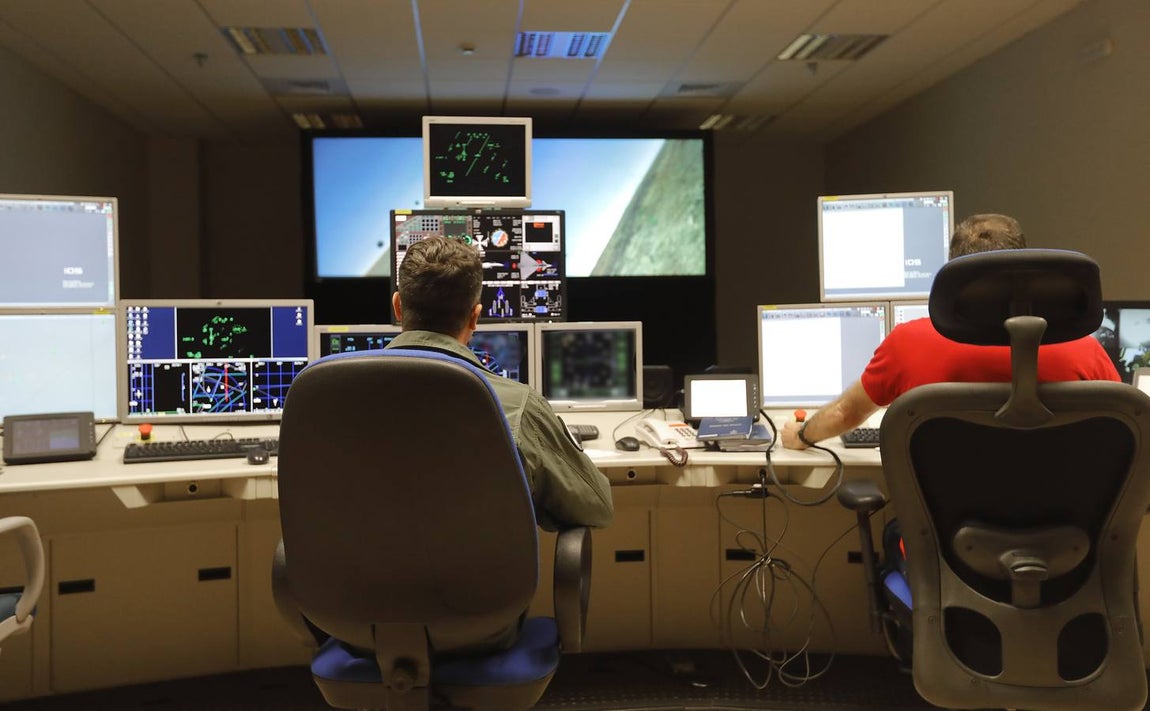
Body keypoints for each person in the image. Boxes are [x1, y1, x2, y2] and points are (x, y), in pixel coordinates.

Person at [781, 213, 1120, 450]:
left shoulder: (909, 343)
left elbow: (846, 413)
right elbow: (1129, 425)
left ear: (956, 274)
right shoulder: (1081, 347)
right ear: (1023, 267)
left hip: (941, 546)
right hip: (1066, 544)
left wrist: (803, 435)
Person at [389, 235, 614, 530]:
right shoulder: (516, 407)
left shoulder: (330, 398)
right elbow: (596, 506)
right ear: (475, 317)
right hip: (481, 575)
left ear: (398, 307)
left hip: (359, 576)